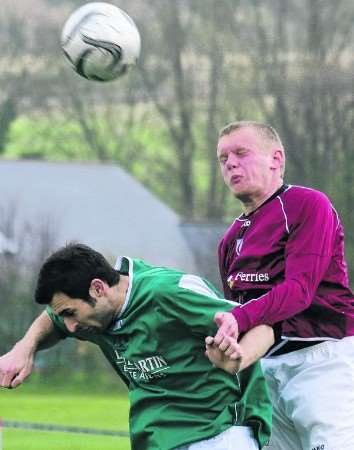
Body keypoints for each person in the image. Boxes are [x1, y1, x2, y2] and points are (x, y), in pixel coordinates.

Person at [0, 243, 274, 450]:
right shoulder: (92, 317)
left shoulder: (169, 293)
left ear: (98, 288)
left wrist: (237, 360)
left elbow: (262, 326)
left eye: (70, 313)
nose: (70, 327)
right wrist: (24, 347)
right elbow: (51, 319)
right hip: (157, 441)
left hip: (219, 434)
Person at [213, 120, 354, 450]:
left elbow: (299, 290)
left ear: (276, 159)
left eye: (241, 153)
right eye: (223, 158)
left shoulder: (308, 205)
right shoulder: (230, 240)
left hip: (323, 359)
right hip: (267, 371)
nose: (230, 163)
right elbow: (236, 316)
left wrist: (240, 318)